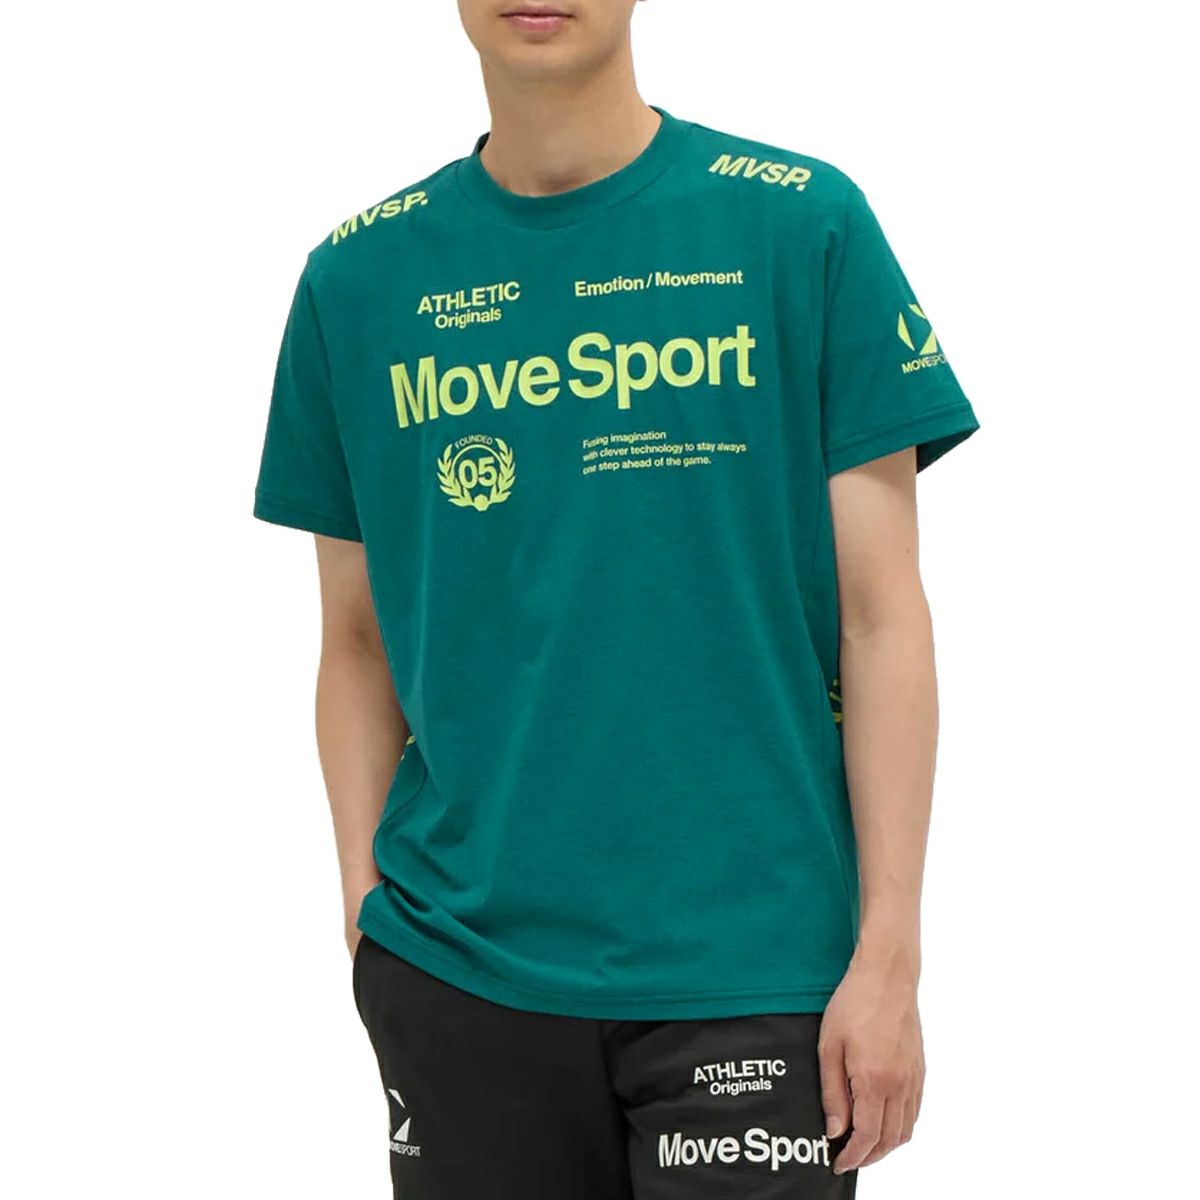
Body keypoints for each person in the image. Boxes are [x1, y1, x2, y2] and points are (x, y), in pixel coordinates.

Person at [251, 1, 980, 1195]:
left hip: (754, 964)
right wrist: (362, 906)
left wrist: (889, 954)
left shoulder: (798, 224)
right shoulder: (359, 278)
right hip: (460, 967)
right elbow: (355, 640)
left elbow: (883, 618)